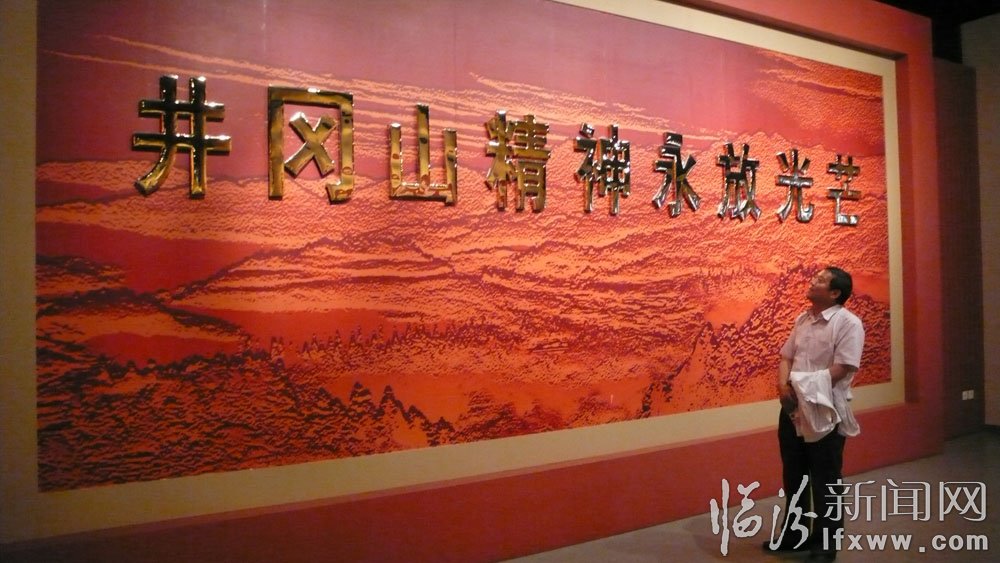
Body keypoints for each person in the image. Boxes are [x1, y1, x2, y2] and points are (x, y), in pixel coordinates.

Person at [763, 266, 865, 562]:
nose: (812, 281)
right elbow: (786, 356)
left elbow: (844, 367)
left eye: (821, 280)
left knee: (826, 479)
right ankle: (794, 536)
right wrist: (783, 386)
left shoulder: (848, 323)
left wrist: (801, 386)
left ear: (835, 293)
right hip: (793, 408)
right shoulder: (803, 319)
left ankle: (825, 544)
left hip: (825, 409)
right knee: (794, 475)